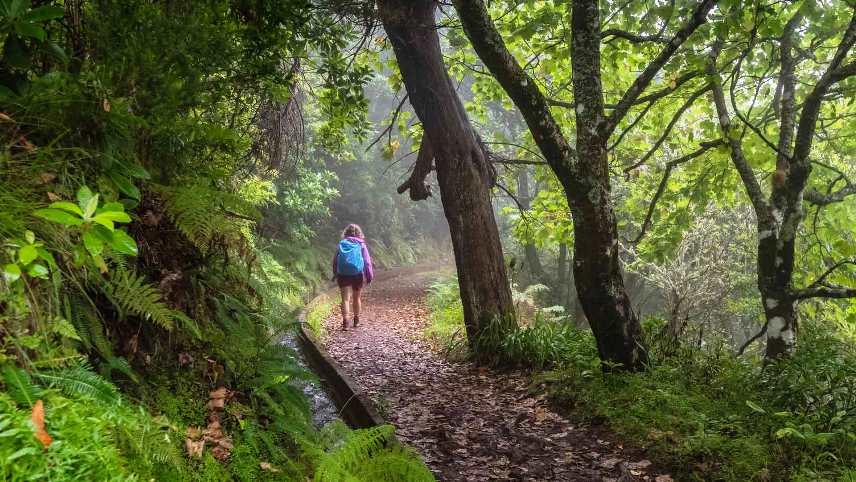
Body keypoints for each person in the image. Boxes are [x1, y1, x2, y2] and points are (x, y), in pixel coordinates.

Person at [332, 224, 373, 331]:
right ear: (359, 233)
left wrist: (335, 273)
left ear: (346, 233)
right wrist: (369, 276)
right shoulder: (361, 244)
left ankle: (345, 322)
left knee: (345, 299)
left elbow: (335, 260)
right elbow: (367, 262)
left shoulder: (341, 244)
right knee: (356, 297)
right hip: (357, 274)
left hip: (343, 274)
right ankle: (356, 320)